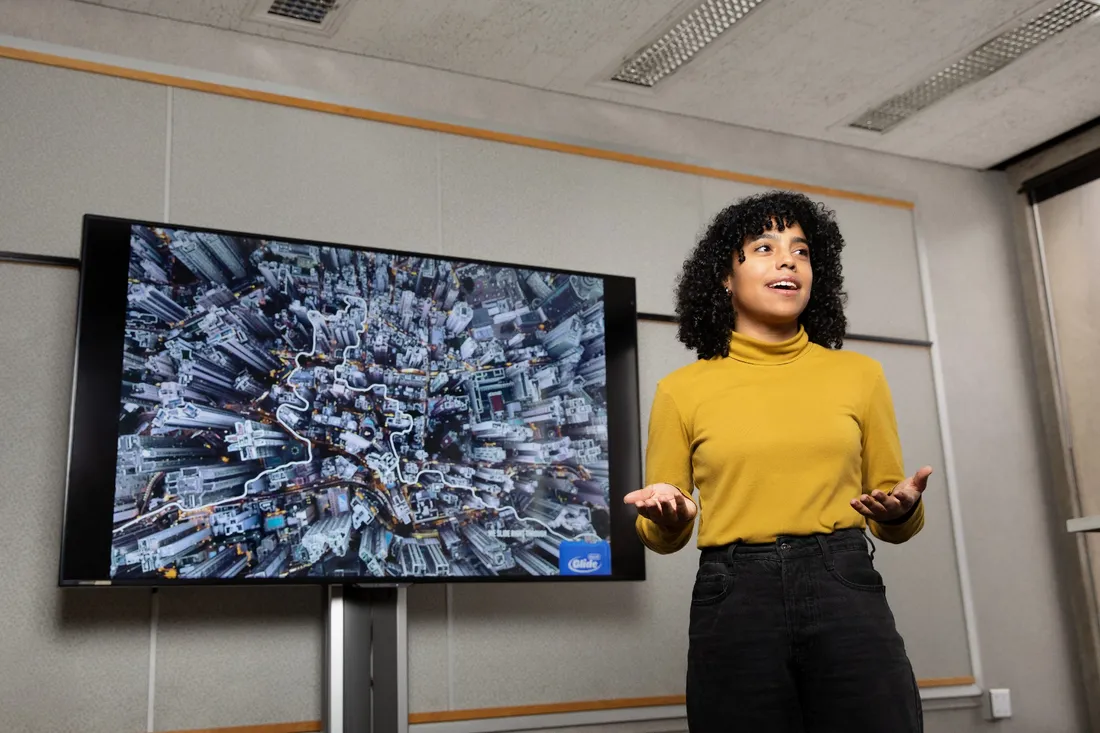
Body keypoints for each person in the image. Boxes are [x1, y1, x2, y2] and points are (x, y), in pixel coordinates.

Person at [624, 190, 931, 732]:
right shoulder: (680, 390)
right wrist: (668, 518)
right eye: (763, 248)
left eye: (801, 250)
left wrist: (898, 510)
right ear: (725, 276)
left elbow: (893, 514)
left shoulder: (860, 375)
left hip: (843, 578)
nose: (788, 260)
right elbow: (661, 526)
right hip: (733, 590)